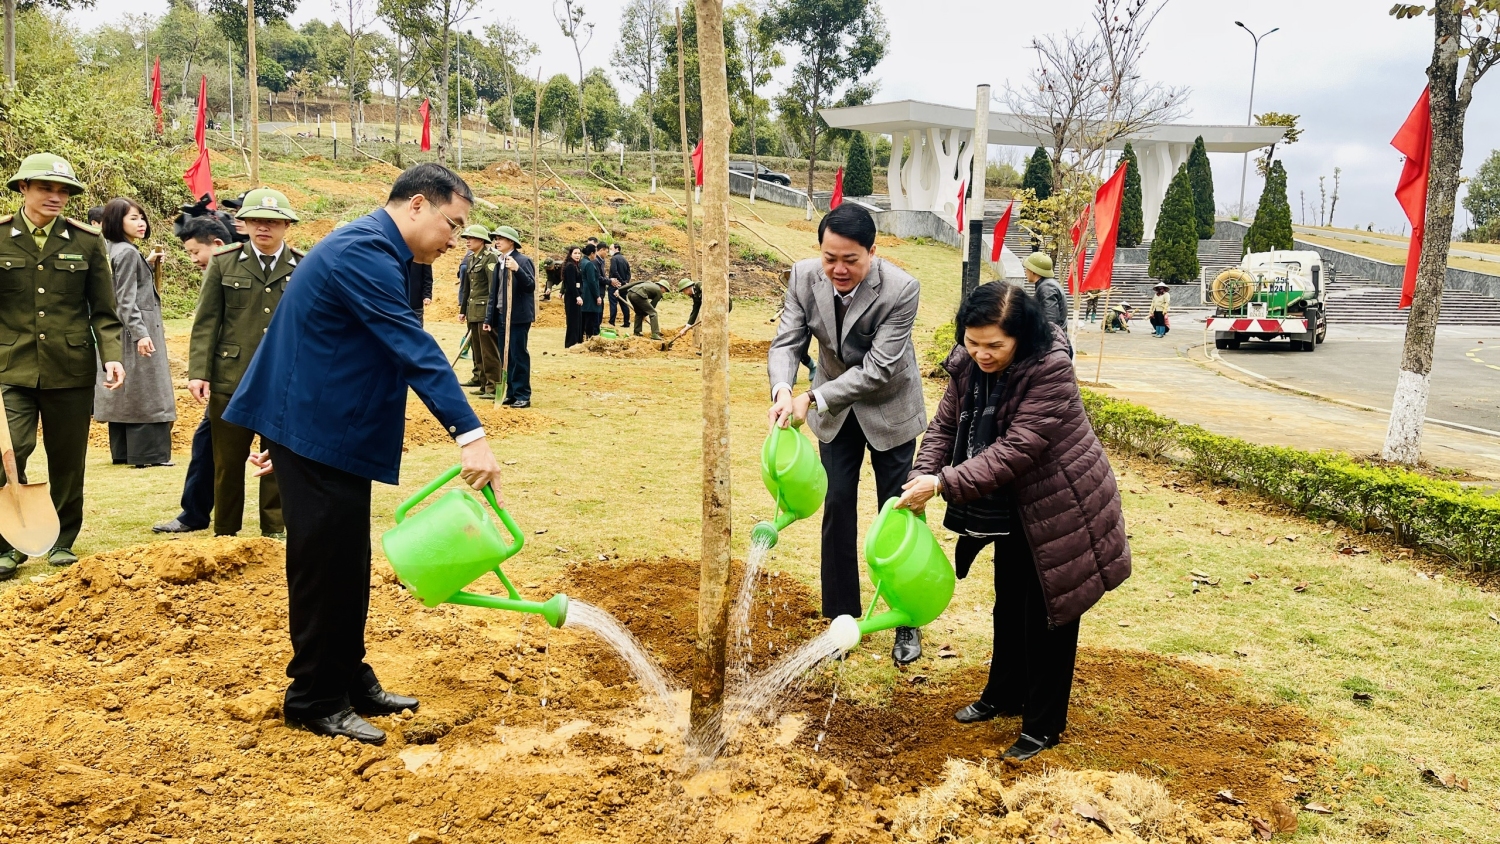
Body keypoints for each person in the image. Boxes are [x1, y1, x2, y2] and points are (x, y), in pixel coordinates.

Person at [223, 163, 504, 746]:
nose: (454, 241)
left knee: (346, 566)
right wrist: (469, 432)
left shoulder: (384, 252)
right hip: (312, 427)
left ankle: (347, 677)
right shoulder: (362, 252)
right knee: (323, 568)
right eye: (452, 225)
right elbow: (411, 346)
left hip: (322, 428)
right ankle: (313, 697)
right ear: (418, 205)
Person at [896, 281, 1129, 761]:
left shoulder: (1051, 369)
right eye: (973, 341)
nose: (981, 354)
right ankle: (1002, 695)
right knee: (1010, 603)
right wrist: (921, 473)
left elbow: (1018, 448)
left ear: (1021, 337)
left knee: (1050, 613)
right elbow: (945, 424)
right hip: (1013, 506)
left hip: (1063, 505)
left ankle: (1043, 724)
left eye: (994, 346)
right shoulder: (967, 365)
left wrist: (942, 484)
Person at [766, 204, 927, 665]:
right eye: (829, 257)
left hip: (889, 408)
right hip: (835, 415)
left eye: (850, 260)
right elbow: (787, 342)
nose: (838, 269)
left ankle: (904, 618)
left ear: (872, 252)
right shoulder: (802, 276)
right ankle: (840, 618)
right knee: (836, 504)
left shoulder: (901, 289)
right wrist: (783, 389)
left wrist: (813, 398)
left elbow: (878, 370)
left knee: (896, 513)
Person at [0, 153, 125, 577]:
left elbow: (104, 311)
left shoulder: (87, 241)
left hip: (69, 368)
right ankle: (8, 542)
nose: (56, 197)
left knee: (67, 458)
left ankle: (62, 540)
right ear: (23, 189)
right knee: (8, 451)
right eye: (46, 188)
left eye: (63, 191)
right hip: (10, 367)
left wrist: (112, 358)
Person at [188, 188, 300, 539]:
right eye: (255, 221)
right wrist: (199, 372)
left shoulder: (302, 265)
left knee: (279, 458)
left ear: (286, 225)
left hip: (282, 380)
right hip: (231, 378)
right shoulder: (224, 261)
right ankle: (225, 530)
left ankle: (275, 529)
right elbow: (207, 321)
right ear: (243, 224)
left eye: (271, 222)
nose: (263, 228)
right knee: (227, 461)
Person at [153, 216, 233, 534]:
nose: (193, 260)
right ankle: (194, 514)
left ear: (217, 245)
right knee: (207, 445)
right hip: (228, 378)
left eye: (194, 251)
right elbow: (206, 328)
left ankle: (283, 518)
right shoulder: (214, 276)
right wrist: (203, 373)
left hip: (265, 378)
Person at [95, 198, 175, 468]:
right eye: (132, 218)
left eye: (141, 217)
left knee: (126, 395)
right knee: (148, 392)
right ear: (117, 222)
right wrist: (141, 334)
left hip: (123, 333)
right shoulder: (127, 253)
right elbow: (125, 300)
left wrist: (147, 263)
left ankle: (124, 452)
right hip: (136, 332)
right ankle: (148, 455)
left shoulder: (115, 249)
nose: (140, 223)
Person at [486, 226, 536, 408]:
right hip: (501, 316)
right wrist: (488, 319)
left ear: (511, 242)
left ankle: (523, 394)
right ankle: (512, 393)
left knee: (518, 355)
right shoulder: (499, 261)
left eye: (500, 238)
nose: (496, 241)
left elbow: (530, 286)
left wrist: (517, 270)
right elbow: (494, 293)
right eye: (496, 238)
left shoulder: (522, 261)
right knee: (505, 356)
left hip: (517, 317)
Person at [456, 225, 501, 399]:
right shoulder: (471, 258)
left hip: (484, 312)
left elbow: (493, 289)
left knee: (488, 351)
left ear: (481, 240)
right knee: (478, 350)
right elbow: (467, 288)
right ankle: (482, 383)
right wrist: (463, 310)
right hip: (473, 311)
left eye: (471, 238)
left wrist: (491, 315)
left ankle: (492, 387)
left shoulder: (490, 258)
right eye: (466, 238)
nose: (467, 241)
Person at [1024, 252, 1068, 332]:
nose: (1026, 271)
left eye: (1027, 268)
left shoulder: (1047, 288)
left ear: (1033, 271)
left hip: (1052, 341)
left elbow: (1051, 323)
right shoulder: (1047, 284)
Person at [623, 276, 666, 340]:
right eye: (666, 290)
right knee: (653, 313)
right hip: (638, 295)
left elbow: (634, 283)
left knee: (639, 313)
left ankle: (637, 332)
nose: (664, 292)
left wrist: (620, 289)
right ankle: (655, 334)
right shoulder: (658, 291)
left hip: (630, 293)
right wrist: (645, 314)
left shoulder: (649, 283)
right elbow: (653, 305)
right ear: (662, 287)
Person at [562, 247, 584, 348]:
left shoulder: (576, 265)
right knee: (573, 320)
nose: (577, 255)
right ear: (571, 254)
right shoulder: (570, 266)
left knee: (577, 319)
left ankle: (577, 341)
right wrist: (577, 296)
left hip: (575, 295)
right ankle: (571, 343)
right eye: (575, 253)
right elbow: (571, 284)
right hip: (572, 297)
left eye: (579, 253)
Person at [580, 243, 604, 338]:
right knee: (591, 316)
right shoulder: (589, 264)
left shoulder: (581, 262)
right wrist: (597, 295)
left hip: (583, 291)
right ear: (592, 253)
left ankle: (582, 335)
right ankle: (590, 336)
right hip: (589, 293)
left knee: (583, 316)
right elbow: (592, 281)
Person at [607, 241, 632, 328]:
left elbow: (614, 271)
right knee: (624, 303)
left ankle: (612, 322)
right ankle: (626, 322)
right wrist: (626, 282)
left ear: (616, 249)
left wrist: (620, 281)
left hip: (615, 284)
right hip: (624, 285)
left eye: (611, 249)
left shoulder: (614, 259)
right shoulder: (624, 259)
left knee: (613, 303)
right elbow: (629, 272)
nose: (610, 251)